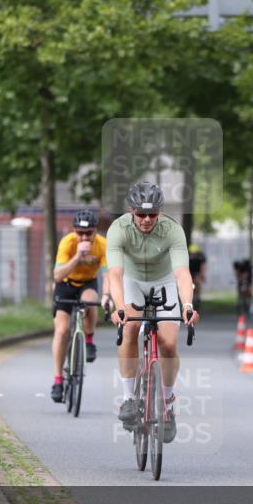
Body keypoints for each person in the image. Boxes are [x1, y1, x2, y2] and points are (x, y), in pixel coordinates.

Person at [108, 182, 199, 443]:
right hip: (132, 281)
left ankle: (168, 404)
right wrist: (119, 307)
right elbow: (115, 274)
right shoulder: (119, 229)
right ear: (131, 211)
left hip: (165, 281)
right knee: (131, 328)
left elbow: (182, 273)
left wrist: (188, 305)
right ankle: (128, 398)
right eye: (140, 214)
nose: (147, 220)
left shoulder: (172, 230)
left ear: (159, 212)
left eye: (152, 214)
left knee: (168, 342)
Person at [50, 210, 110, 403]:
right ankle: (58, 380)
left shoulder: (102, 245)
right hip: (65, 284)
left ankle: (89, 340)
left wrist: (108, 295)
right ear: (75, 232)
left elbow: (108, 275)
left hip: (87, 284)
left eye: (89, 233)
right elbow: (57, 275)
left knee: (91, 300)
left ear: (95, 232)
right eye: (80, 233)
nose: (84, 237)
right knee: (61, 331)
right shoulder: (68, 242)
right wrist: (78, 256)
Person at [188, 243, 207, 313]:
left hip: (197, 272)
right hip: (190, 272)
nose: (194, 255)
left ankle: (198, 298)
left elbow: (203, 267)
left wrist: (202, 276)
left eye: (195, 254)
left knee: (198, 283)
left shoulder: (201, 257)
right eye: (192, 254)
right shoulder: (188, 257)